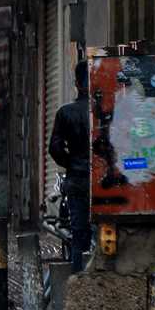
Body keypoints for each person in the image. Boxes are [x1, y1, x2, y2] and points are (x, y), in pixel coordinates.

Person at [50, 59, 91, 271]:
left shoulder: (66, 113)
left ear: (76, 83)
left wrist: (72, 163)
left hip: (77, 180)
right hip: (107, 185)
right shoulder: (110, 110)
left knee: (78, 233)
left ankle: (79, 281)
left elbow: (55, 149)